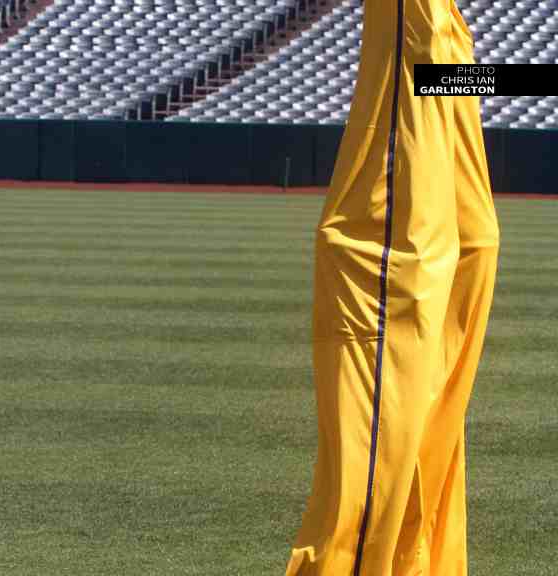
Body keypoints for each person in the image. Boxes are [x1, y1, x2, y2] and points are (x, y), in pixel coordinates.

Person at [285, 1, 500, 575]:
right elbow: (426, 67)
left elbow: (444, 76)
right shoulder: (414, 20)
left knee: (427, 435)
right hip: (388, 257)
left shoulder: (447, 30)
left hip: (431, 248)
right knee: (372, 471)